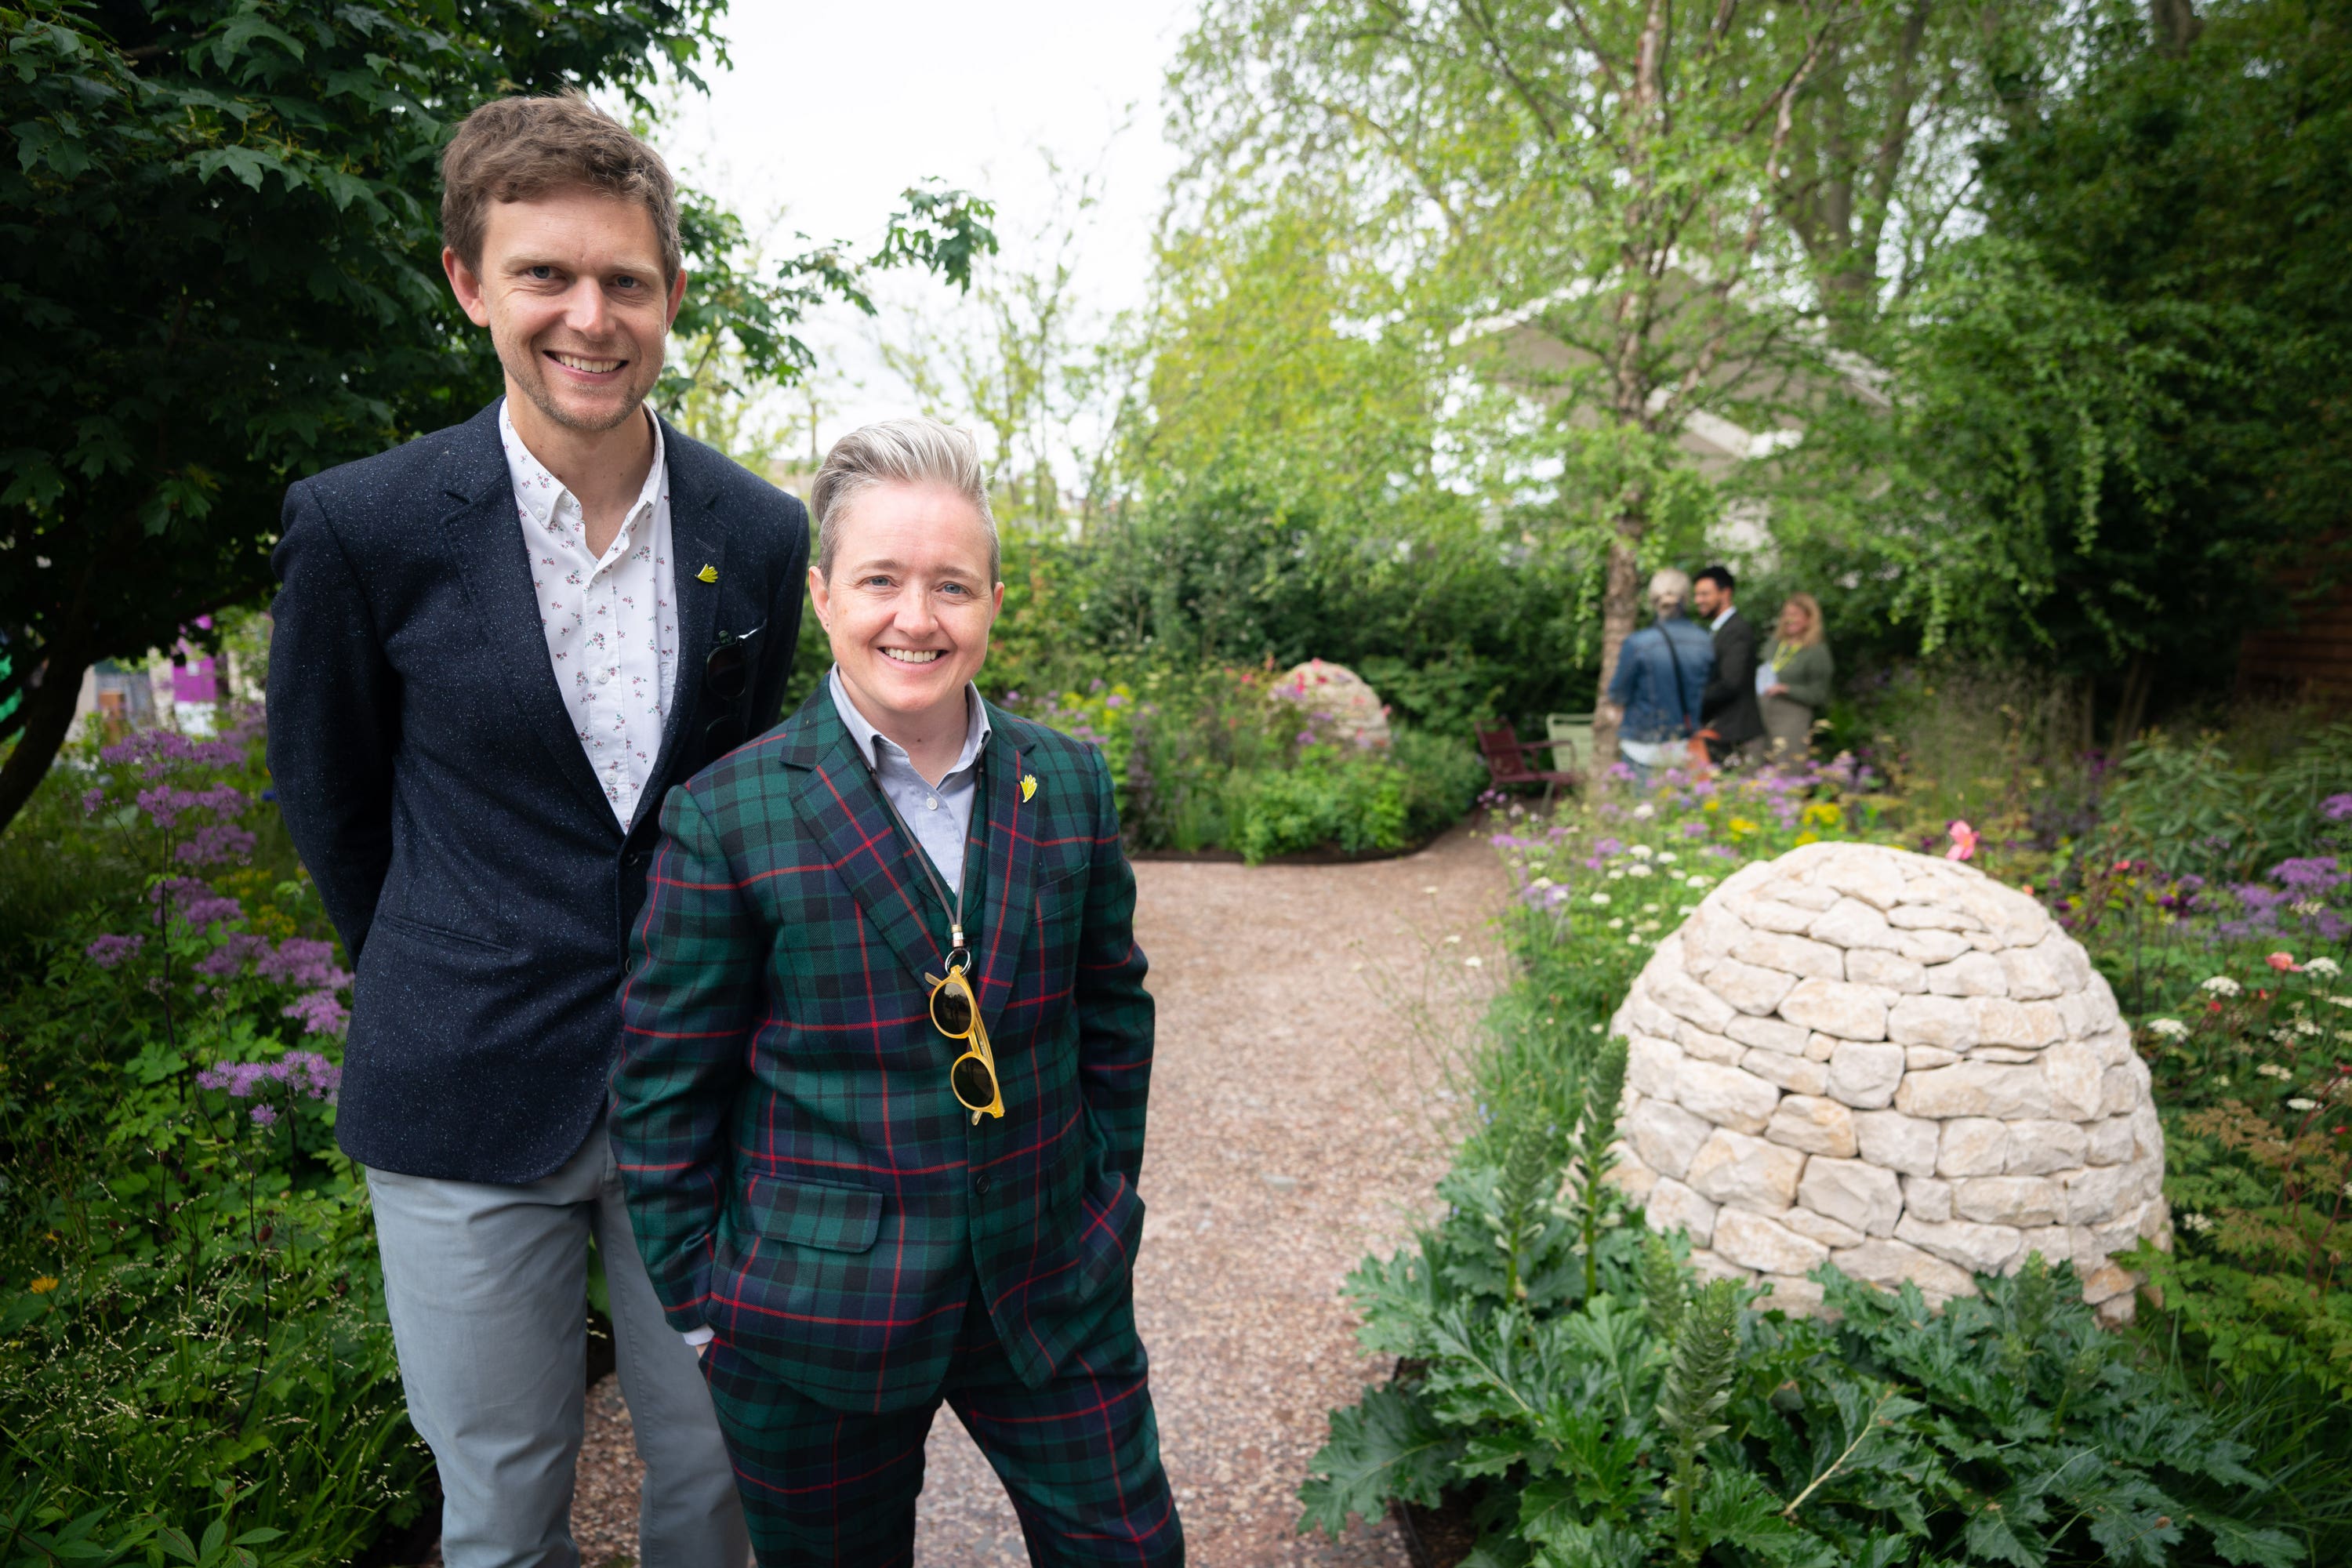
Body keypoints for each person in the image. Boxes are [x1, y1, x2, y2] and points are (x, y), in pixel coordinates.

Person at [266, 93, 811, 1566]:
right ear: (469, 285)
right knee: (499, 1508)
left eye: (625, 280)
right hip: (460, 1085)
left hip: (704, 1087)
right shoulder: (364, 526)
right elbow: (330, 795)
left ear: (671, 294)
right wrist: (448, 959)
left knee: (718, 1477)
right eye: (545, 276)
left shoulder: (758, 533)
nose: (590, 315)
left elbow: (741, 792)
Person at [609, 418, 1182, 1565]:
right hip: (812, 1318)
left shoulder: (1064, 780)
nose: (916, 619)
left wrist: (1104, 1206)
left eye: (952, 586)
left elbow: (1112, 1012)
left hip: (1050, 1279)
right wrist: (703, 1305)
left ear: (992, 602)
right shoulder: (729, 814)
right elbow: (668, 1088)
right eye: (881, 580)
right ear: (823, 595)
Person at [1603, 568, 1715, 784]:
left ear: (1653, 600)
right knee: (1685, 814)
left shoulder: (1638, 643)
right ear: (1687, 599)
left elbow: (1618, 694)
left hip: (1642, 745)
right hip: (1685, 742)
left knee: (1643, 813)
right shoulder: (1704, 641)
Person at [1692, 564, 1763, 764]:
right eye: (1697, 595)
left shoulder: (1737, 631)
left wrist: (1691, 699)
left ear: (1725, 593)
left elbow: (1730, 683)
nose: (1698, 600)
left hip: (1734, 733)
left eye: (1705, 594)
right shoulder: (1720, 630)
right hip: (1720, 730)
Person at [1759, 592, 1835, 760]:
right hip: (1763, 712)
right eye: (1786, 614)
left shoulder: (1816, 651)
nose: (1789, 619)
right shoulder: (1774, 644)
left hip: (1792, 717)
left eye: (1795, 615)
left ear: (1809, 618)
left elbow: (1818, 695)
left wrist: (1786, 689)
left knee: (1787, 770)